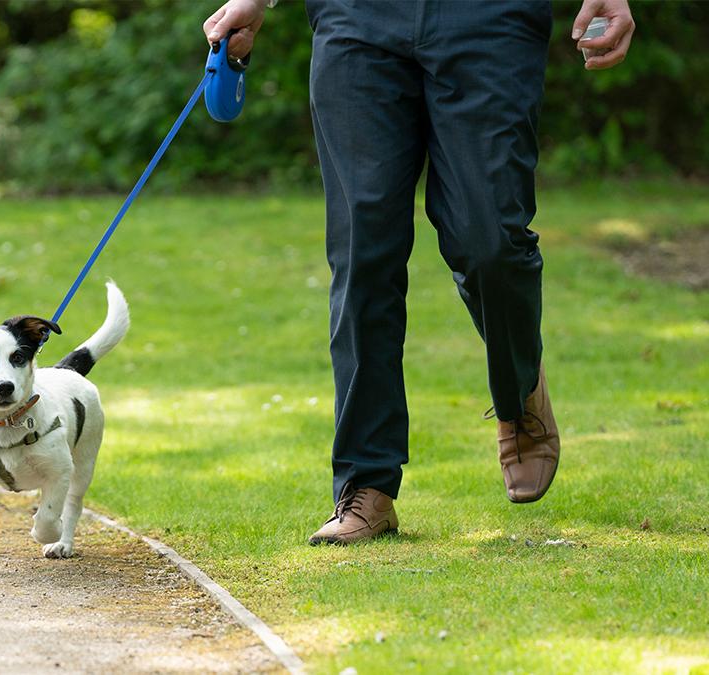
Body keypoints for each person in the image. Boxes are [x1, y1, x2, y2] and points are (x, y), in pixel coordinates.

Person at [202, 0, 635, 544]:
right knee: (362, 249)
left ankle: (519, 388)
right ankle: (366, 482)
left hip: (488, 18)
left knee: (489, 240)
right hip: (357, 17)